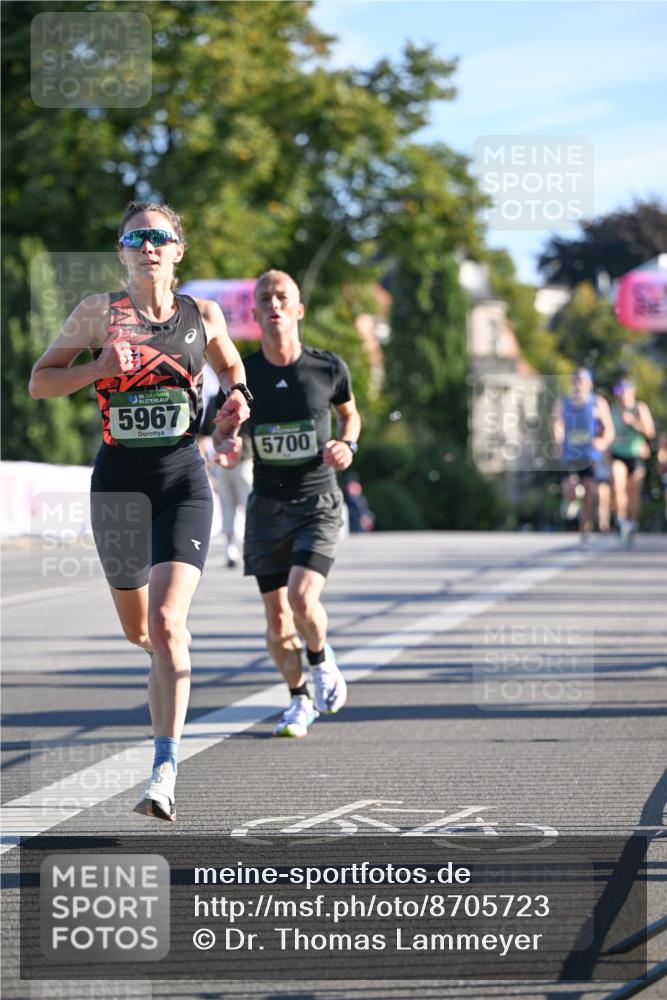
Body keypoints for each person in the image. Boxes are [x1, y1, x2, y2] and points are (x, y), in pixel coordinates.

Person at [29, 201, 251, 820]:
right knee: (141, 633)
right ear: (122, 252)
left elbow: (231, 365)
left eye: (160, 236)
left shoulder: (201, 315)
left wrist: (237, 400)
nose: (148, 246)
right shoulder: (97, 314)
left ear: (178, 249)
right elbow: (40, 381)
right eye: (136, 238)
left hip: (184, 480)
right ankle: (162, 671)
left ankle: (163, 769)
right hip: (119, 488)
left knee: (168, 625)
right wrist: (96, 368)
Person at [213, 269, 361, 738]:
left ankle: (319, 662)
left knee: (302, 597)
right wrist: (229, 443)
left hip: (317, 500)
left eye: (283, 297)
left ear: (298, 310)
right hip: (267, 507)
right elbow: (222, 432)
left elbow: (349, 413)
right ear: (255, 314)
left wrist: (347, 444)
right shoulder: (246, 376)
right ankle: (299, 699)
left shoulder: (327, 367)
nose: (274, 304)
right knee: (278, 622)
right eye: (265, 299)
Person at [551, 368, 614, 540]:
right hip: (570, 453)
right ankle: (571, 499)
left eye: (582, 380)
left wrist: (603, 441)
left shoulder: (598, 402)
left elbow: (609, 429)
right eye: (576, 380)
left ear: (589, 383)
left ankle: (585, 529)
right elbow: (557, 423)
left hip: (590, 454)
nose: (578, 383)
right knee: (571, 486)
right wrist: (558, 441)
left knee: (589, 492)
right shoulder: (563, 402)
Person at [200, 393, 253, 567]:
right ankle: (232, 546)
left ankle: (247, 544)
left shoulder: (246, 395)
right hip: (226, 459)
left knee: (246, 504)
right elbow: (207, 431)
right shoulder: (219, 397)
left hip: (243, 459)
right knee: (230, 504)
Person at [610, 378, 656, 542]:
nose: (622, 395)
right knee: (617, 485)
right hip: (618, 454)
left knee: (633, 492)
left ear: (632, 392)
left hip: (635, 454)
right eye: (619, 392)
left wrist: (633, 422)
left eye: (625, 391)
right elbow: (607, 432)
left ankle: (633, 522)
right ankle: (621, 520)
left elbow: (650, 432)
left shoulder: (639, 408)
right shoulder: (613, 410)